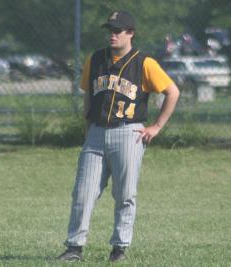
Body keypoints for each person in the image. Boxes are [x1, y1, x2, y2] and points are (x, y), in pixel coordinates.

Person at [57, 10, 180, 263]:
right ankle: (74, 247)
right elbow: (88, 95)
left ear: (131, 33)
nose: (112, 35)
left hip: (129, 132)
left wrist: (156, 127)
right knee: (83, 192)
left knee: (125, 194)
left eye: (118, 30)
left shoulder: (144, 63)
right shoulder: (95, 59)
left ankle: (119, 248)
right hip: (96, 132)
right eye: (110, 30)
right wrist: (87, 126)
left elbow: (172, 92)